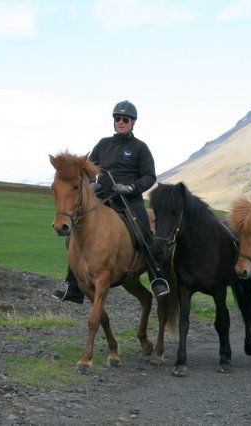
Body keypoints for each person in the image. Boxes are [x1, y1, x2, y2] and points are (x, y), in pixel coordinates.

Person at [53, 100, 170, 303]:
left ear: (133, 122)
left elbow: (149, 176)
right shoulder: (103, 144)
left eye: (125, 119)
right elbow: (88, 170)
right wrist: (92, 186)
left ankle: (157, 278)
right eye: (118, 119)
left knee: (144, 233)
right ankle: (72, 286)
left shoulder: (140, 148)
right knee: (73, 234)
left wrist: (130, 187)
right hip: (104, 198)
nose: (121, 122)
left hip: (130, 200)